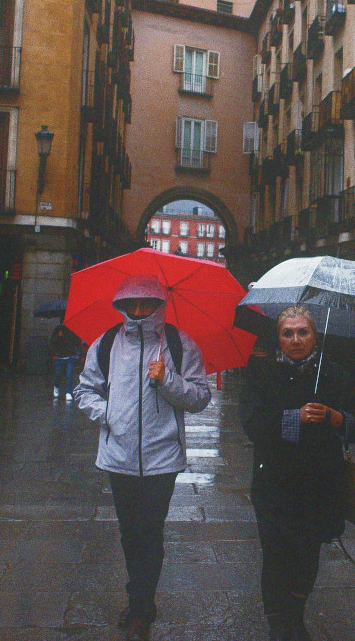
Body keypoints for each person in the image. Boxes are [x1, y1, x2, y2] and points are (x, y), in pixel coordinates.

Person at [73, 273, 212, 641]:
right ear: (120, 306)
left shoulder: (180, 346)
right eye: (130, 304)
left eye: (146, 304)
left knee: (149, 531)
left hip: (162, 457)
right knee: (128, 532)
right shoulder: (105, 344)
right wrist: (108, 413)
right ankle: (141, 599)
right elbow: (84, 390)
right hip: (117, 455)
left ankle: (139, 607)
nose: (138, 311)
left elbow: (200, 397)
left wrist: (168, 380)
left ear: (158, 306)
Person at [240, 305, 355, 641]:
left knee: (307, 553)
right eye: (288, 333)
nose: (296, 340)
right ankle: (278, 623)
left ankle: (296, 614)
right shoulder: (262, 373)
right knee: (276, 553)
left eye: (303, 332)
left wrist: (335, 417)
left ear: (314, 335)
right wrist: (295, 417)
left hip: (320, 484)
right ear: (278, 338)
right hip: (274, 485)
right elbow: (253, 424)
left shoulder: (335, 373)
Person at [47, 321, 83, 401]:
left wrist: (78, 352)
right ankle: (56, 386)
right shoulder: (58, 330)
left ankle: (68, 392)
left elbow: (77, 342)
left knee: (69, 375)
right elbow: (52, 342)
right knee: (58, 374)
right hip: (59, 357)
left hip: (70, 357)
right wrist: (55, 353)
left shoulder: (73, 330)